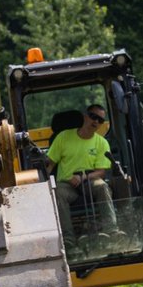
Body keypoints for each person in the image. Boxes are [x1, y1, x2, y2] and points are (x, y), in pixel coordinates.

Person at [45, 104, 120, 259]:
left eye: (100, 120)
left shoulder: (102, 143)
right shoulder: (64, 137)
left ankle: (112, 232)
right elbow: (50, 164)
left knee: (102, 186)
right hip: (66, 184)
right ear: (85, 117)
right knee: (57, 192)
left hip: (89, 182)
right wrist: (43, 186)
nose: (96, 122)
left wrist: (83, 177)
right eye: (93, 117)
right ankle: (69, 243)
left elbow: (101, 171)